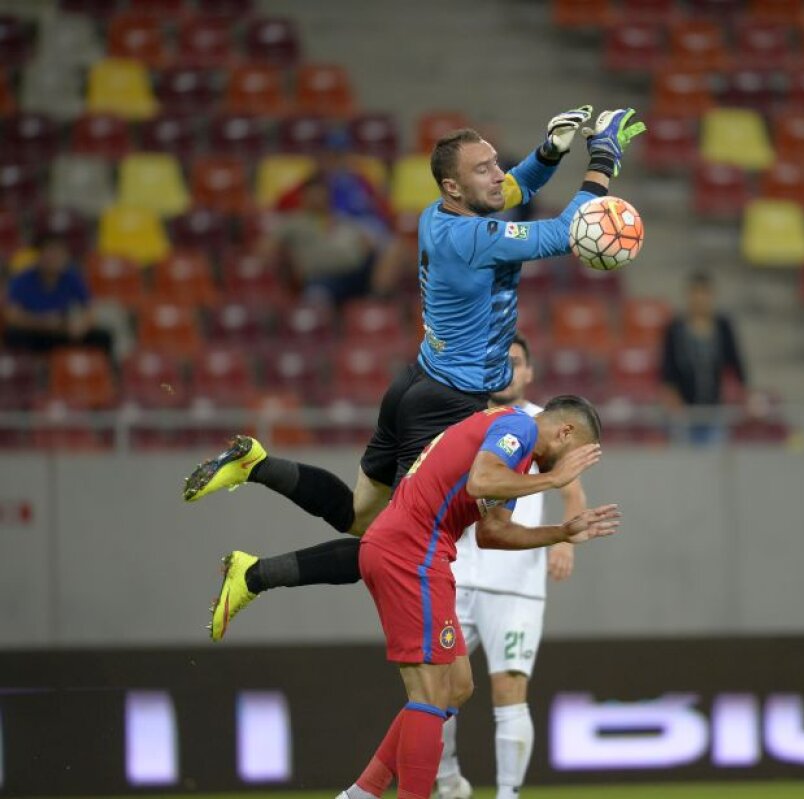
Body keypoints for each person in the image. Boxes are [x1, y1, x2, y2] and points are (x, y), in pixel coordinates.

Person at [186, 106, 646, 642]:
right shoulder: (478, 240)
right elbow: (570, 231)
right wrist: (602, 159)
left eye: (496, 163)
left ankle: (256, 465)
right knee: (390, 547)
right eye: (483, 169)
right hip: (449, 406)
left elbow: (510, 192)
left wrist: (549, 153)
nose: (498, 174)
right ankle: (254, 575)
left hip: (414, 385)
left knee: (358, 517)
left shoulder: (438, 216)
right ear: (453, 185)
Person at [338, 395, 619, 799]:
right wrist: (553, 481)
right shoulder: (519, 426)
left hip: (419, 554)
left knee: (456, 686)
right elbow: (479, 482)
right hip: (410, 551)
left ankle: (363, 793)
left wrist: (561, 531)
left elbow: (493, 533)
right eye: (577, 457)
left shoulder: (515, 462)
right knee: (431, 693)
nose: (571, 468)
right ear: (565, 432)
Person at [435, 335, 583, 799]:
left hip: (516, 581)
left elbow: (571, 489)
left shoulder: (545, 426)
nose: (507, 370)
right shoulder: (469, 420)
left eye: (515, 362)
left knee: (509, 691)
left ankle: (507, 795)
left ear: (530, 373)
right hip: (456, 575)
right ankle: (447, 781)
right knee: (435, 689)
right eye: (499, 363)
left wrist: (566, 542)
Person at [256, 175, 380, 305]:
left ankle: (380, 301)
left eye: (321, 193)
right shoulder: (294, 222)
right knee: (316, 297)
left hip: (357, 275)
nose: (318, 198)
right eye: (313, 194)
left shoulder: (341, 219)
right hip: (322, 278)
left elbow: (368, 243)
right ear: (304, 197)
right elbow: (266, 247)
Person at [659, 270, 747, 444]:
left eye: (704, 293)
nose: (700, 299)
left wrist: (742, 395)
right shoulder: (675, 329)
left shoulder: (723, 327)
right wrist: (673, 401)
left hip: (715, 409)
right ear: (688, 296)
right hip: (685, 411)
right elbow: (667, 371)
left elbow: (737, 366)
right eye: (695, 293)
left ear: (712, 296)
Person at [4, 234, 112, 356]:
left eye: (59, 254)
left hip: (61, 331)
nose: (54, 259)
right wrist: (41, 322)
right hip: (33, 331)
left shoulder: (72, 277)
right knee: (13, 335)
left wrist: (81, 326)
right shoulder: (22, 279)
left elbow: (90, 309)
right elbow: (12, 316)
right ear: (39, 256)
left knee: (102, 337)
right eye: (50, 253)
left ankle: (101, 370)